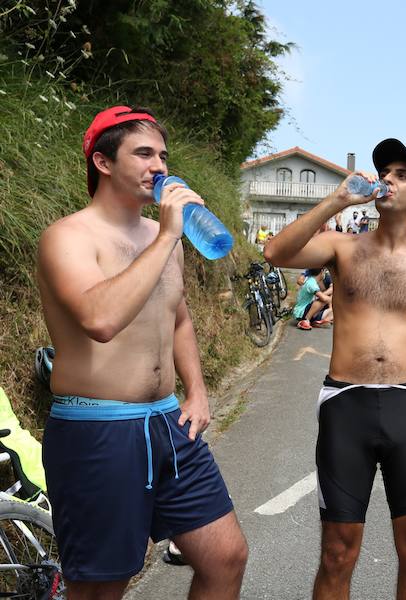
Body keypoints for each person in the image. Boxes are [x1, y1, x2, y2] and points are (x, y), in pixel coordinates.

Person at [36, 106, 247, 599]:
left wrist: (196, 391)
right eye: (144, 154)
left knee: (225, 557)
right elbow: (100, 320)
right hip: (99, 430)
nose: (159, 167)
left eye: (163, 156)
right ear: (104, 163)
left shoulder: (162, 238)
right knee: (102, 588)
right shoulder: (68, 237)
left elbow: (177, 316)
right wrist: (170, 233)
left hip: (171, 424)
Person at [264, 138, 406, 600]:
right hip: (345, 403)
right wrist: (338, 199)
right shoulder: (342, 248)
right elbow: (276, 253)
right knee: (338, 551)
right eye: (386, 172)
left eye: (402, 174)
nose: (388, 180)